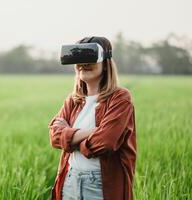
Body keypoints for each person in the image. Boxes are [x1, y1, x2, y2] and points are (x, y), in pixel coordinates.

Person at [48, 36, 136, 200]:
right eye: (79, 59)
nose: (83, 64)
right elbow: (54, 137)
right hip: (69, 181)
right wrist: (92, 131)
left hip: (100, 185)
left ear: (105, 63)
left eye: (90, 57)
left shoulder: (120, 98)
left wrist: (69, 138)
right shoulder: (73, 100)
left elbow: (105, 143)